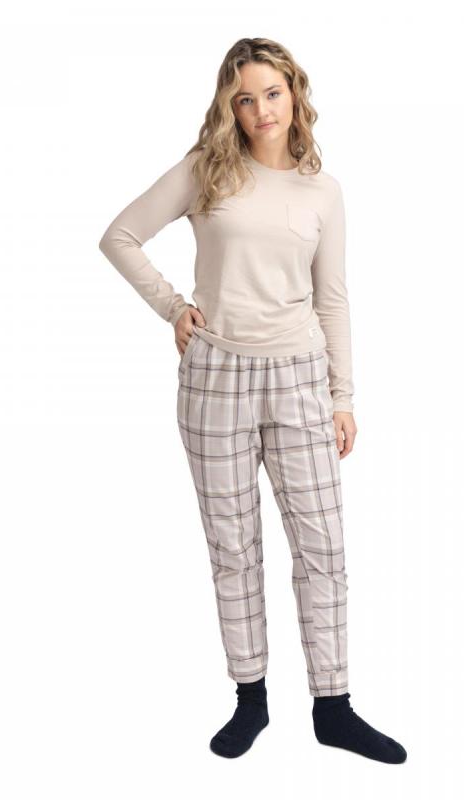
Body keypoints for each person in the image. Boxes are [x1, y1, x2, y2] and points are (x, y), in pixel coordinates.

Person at [98, 37, 407, 764]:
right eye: (245, 98)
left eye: (272, 93)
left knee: (323, 547)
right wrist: (173, 308)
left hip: (300, 377)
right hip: (216, 379)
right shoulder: (206, 171)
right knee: (233, 548)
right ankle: (251, 699)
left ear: (294, 94)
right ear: (229, 107)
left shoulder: (322, 190)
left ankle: (333, 707)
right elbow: (120, 236)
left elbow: (333, 297)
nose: (262, 110)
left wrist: (343, 396)